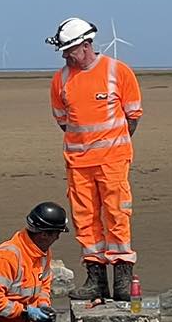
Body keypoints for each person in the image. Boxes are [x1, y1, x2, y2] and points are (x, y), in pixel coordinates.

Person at [46, 16, 142, 300]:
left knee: (117, 215)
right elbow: (64, 121)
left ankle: (122, 278)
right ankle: (96, 279)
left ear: (86, 45)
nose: (66, 56)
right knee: (85, 221)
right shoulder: (61, 80)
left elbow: (132, 117)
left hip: (112, 162)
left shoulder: (118, 72)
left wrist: (110, 147)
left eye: (70, 50)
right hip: (78, 164)